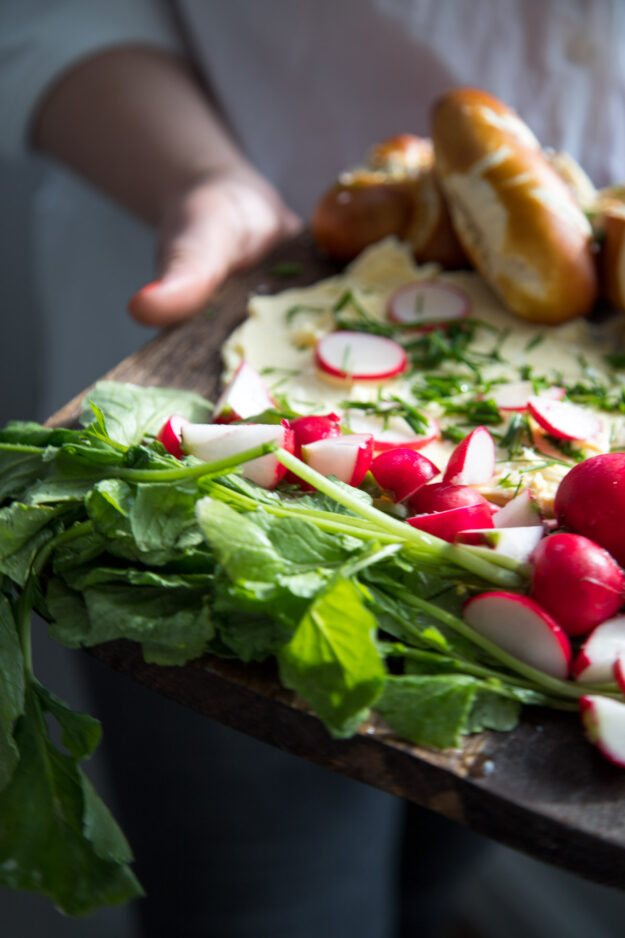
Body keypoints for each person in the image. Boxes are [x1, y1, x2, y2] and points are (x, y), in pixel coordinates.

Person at [1, 2, 624, 936]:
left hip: (564, 457)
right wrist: (203, 179)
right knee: (267, 904)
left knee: (441, 865)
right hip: (223, 413)